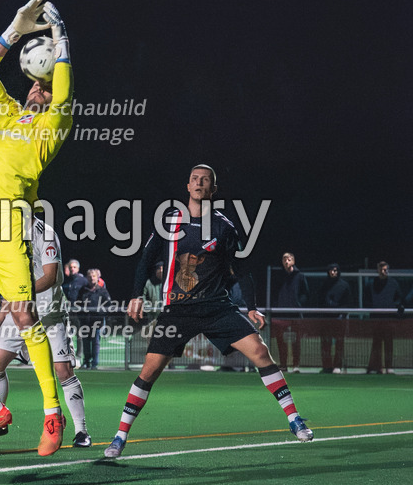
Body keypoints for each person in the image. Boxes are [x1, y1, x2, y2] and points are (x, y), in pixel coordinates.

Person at [104, 165, 313, 459]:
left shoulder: (225, 227)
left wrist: (252, 307)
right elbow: (145, 260)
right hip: (177, 309)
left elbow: (242, 270)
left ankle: (294, 418)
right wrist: (136, 294)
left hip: (216, 307)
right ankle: (120, 436)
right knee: (149, 372)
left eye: (206, 180)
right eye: (195, 179)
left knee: (260, 351)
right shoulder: (169, 221)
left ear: (213, 190)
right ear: (187, 187)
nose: (200, 183)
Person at [0, 0, 73, 456]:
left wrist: (61, 42)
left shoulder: (50, 130)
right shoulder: (4, 113)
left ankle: (51, 412)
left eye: (45, 86)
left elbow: (63, 95)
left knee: (24, 313)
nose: (38, 90)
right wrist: (14, 31)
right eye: (36, 85)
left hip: (5, 223)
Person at [0, 218, 91, 447]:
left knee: (63, 371)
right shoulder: (5, 231)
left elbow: (52, 276)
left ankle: (81, 431)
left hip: (49, 313)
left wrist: (21, 293)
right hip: (19, 310)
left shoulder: (43, 232)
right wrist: (4, 309)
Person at [366, 261, 402, 374]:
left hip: (389, 318)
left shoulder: (394, 283)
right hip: (376, 318)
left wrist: (396, 307)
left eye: (385, 269)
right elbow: (367, 300)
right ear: (377, 270)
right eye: (381, 269)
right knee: (376, 343)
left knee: (388, 343)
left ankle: (389, 367)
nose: (383, 271)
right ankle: (376, 367)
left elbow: (399, 298)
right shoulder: (371, 284)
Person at [275, 252, 308, 372]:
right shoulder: (279, 276)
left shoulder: (300, 276)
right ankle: (283, 365)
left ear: (293, 261)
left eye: (289, 259)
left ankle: (296, 365)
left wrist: (298, 304)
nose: (286, 261)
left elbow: (305, 293)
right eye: (284, 259)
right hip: (281, 314)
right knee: (281, 340)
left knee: (296, 340)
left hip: (295, 314)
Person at [316, 263, 350, 373]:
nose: (333, 272)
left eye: (335, 270)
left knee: (339, 343)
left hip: (339, 319)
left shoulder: (344, 285)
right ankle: (327, 366)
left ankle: (337, 366)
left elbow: (349, 302)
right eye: (331, 270)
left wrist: (342, 314)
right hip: (325, 319)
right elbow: (319, 301)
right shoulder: (323, 285)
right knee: (326, 343)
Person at [76, 269, 110, 370]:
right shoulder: (83, 290)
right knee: (86, 342)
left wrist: (101, 314)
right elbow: (78, 304)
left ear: (97, 277)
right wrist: (80, 316)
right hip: (85, 321)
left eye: (94, 276)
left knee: (96, 342)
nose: (92, 278)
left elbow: (108, 304)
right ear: (87, 278)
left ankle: (94, 363)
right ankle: (86, 362)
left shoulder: (102, 291)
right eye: (90, 276)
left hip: (97, 321)